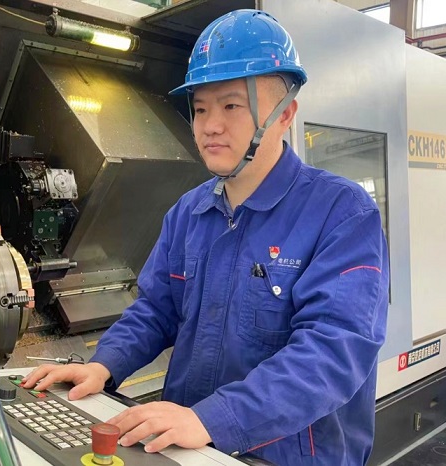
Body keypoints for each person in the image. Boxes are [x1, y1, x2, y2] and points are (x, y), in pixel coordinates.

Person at [21, 9, 389, 466]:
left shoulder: (341, 213)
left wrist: (214, 418)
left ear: (285, 114)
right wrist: (104, 364)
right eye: (199, 109)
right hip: (187, 448)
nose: (210, 125)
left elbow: (333, 352)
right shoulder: (189, 212)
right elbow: (156, 310)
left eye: (231, 106)